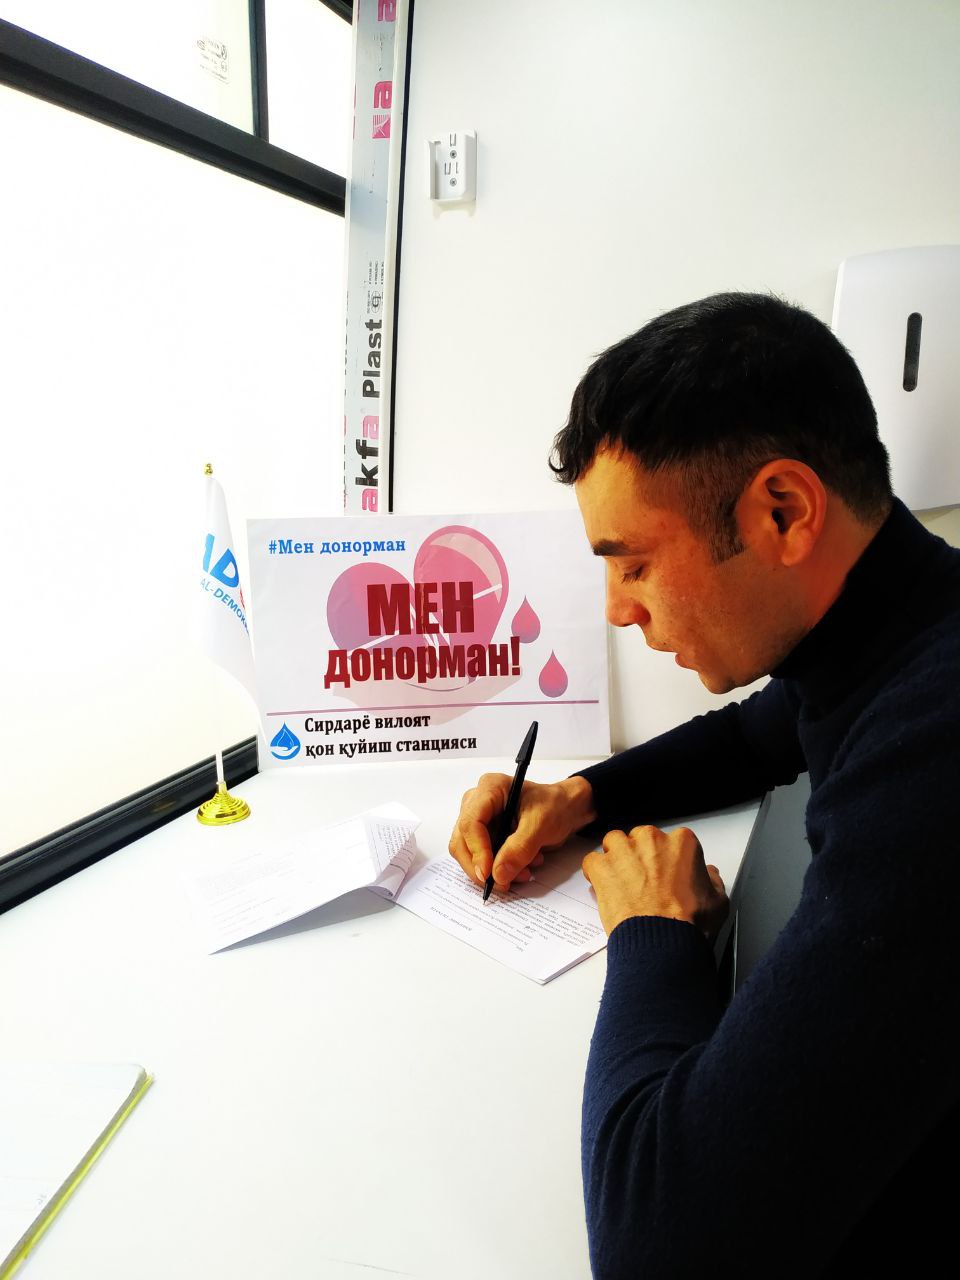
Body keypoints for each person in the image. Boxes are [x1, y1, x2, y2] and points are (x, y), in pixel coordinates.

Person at [447, 293, 960, 1277]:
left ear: (781, 512)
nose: (618, 609)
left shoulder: (934, 759)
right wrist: (580, 796)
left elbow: (660, 1247)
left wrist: (656, 933)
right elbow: (766, 730)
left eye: (634, 563)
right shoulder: (897, 629)